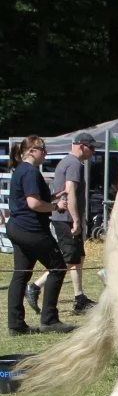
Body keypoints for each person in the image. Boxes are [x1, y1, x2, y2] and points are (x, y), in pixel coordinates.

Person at [5, 136, 75, 335]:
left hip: (17, 227)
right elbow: (33, 204)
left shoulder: (21, 171)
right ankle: (49, 320)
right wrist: (55, 206)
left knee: (21, 274)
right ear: (31, 151)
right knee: (58, 267)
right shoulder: (30, 172)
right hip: (31, 229)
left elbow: (32, 199)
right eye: (42, 149)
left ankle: (16, 325)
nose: (45, 152)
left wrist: (54, 196)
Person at [27, 132, 99, 315]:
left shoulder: (68, 162)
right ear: (82, 146)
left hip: (63, 218)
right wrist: (75, 220)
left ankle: (79, 297)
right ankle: (35, 287)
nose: (93, 152)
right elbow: (70, 192)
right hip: (66, 219)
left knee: (77, 258)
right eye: (91, 148)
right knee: (68, 259)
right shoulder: (74, 164)